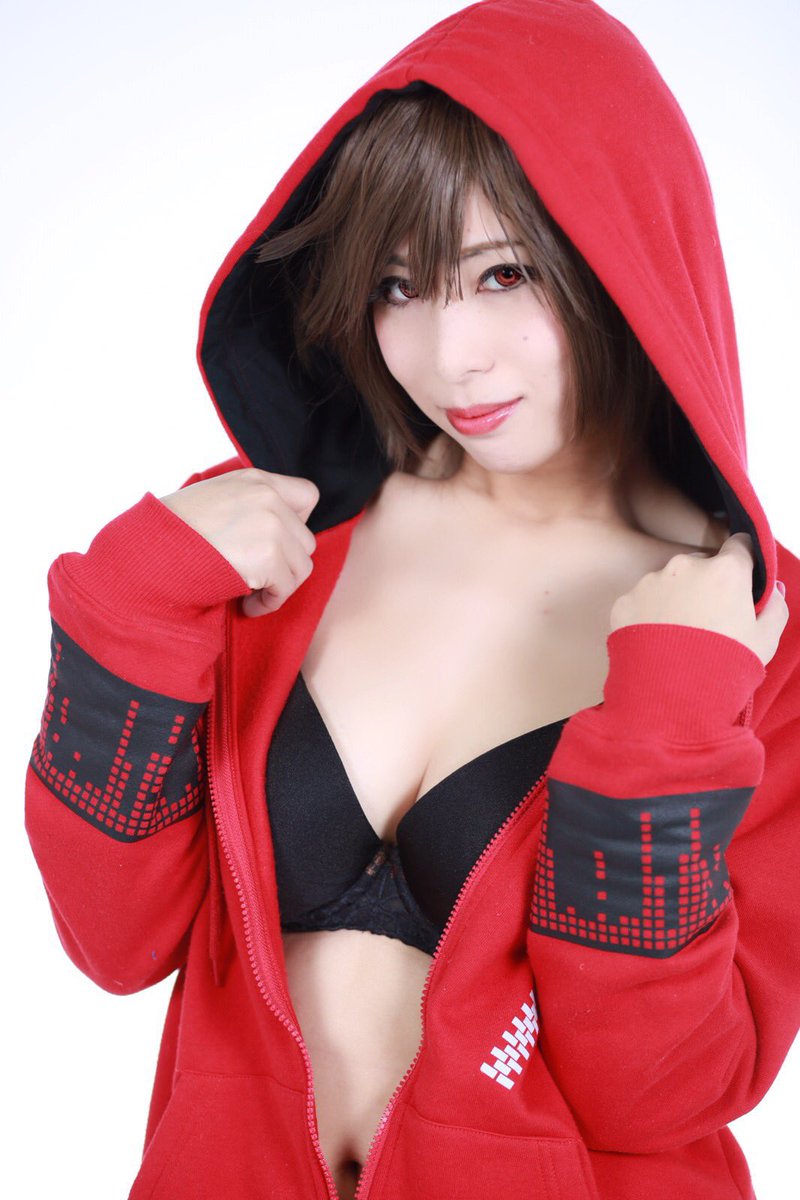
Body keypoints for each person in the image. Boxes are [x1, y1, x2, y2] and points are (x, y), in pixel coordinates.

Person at [24, 1, 800, 1198]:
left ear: (624, 259)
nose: (450, 357)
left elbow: (656, 1094)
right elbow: (115, 943)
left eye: (503, 273)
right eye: (397, 287)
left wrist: (667, 727)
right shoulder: (274, 537)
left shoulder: (749, 639)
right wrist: (128, 612)